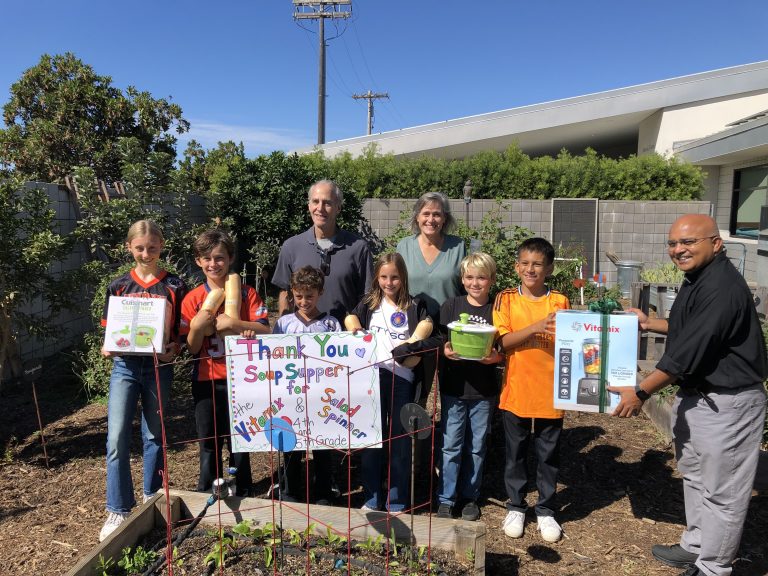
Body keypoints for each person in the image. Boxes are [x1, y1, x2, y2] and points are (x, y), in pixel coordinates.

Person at [611, 214, 767, 576]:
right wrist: (650, 323)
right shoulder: (700, 278)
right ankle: (696, 546)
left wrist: (640, 391)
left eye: (688, 242)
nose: (678, 250)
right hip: (700, 398)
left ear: (716, 243)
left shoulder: (722, 287)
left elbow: (688, 353)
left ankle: (714, 567)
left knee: (722, 491)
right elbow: (689, 329)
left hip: (728, 403)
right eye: (673, 244)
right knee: (696, 478)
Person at [99, 220, 188, 541]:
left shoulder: (176, 286)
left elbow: (181, 334)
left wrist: (173, 351)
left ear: (161, 246)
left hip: (157, 368)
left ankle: (153, 495)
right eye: (140, 248)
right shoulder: (119, 286)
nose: (146, 253)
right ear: (129, 248)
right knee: (116, 436)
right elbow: (109, 332)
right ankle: (118, 507)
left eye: (152, 247)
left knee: (154, 434)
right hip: (124, 366)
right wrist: (108, 346)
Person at [180, 229, 270, 497]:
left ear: (230, 259)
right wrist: (197, 326)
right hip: (206, 378)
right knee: (209, 439)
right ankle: (207, 489)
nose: (213, 264)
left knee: (240, 439)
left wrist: (236, 324)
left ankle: (242, 488)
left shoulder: (247, 293)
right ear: (198, 261)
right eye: (206, 258)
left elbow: (266, 330)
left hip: (242, 379)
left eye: (219, 258)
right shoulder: (194, 299)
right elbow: (192, 347)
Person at [493, 237, 570, 543]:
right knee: (515, 453)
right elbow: (502, 342)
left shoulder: (560, 301)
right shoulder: (506, 298)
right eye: (525, 263)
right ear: (516, 266)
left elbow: (572, 342)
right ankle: (516, 506)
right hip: (517, 389)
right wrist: (538, 327)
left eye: (537, 264)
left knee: (549, 453)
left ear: (549, 268)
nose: (530, 269)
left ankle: (547, 510)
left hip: (552, 390)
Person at [349, 252, 434, 512]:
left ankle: (396, 500)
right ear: (377, 277)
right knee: (373, 438)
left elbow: (427, 332)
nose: (389, 282)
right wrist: (353, 328)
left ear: (403, 277)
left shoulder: (415, 305)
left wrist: (413, 347)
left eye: (394, 277)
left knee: (399, 440)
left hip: (403, 379)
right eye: (384, 277)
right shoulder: (369, 304)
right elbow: (351, 318)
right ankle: (372, 497)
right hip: (372, 378)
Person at [436, 252, 502, 521]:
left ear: (491, 280)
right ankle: (445, 498)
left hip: (484, 390)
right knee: (450, 445)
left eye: (482, 278)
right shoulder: (451, 306)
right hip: (454, 387)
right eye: (470, 277)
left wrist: (495, 358)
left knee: (476, 446)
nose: (475, 283)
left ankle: (469, 497)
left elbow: (503, 349)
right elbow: (441, 341)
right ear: (462, 279)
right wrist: (445, 351)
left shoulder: (497, 310)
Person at [272, 266, 341, 503]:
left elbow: (340, 360)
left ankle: (323, 491)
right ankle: (290, 490)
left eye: (309, 295)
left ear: (320, 293)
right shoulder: (283, 324)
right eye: (299, 295)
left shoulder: (331, 325)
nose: (304, 301)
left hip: (321, 396)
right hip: (291, 396)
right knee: (291, 445)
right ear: (292, 293)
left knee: (322, 445)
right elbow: (271, 357)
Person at [272, 179, 373, 323]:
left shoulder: (358, 248)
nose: (320, 208)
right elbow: (284, 292)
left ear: (338, 208)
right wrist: (284, 328)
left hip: (344, 339)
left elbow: (366, 296)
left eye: (327, 203)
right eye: (315, 201)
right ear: (309, 205)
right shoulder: (291, 247)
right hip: (302, 338)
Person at [396, 191, 466, 398]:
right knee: (415, 390)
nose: (430, 219)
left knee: (451, 391)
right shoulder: (404, 246)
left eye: (437, 214)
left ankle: (447, 431)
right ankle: (415, 430)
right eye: (425, 213)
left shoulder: (458, 246)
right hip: (414, 329)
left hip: (448, 330)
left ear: (445, 218)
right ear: (417, 216)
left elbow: (465, 287)